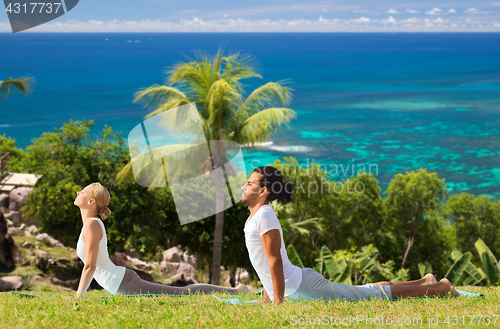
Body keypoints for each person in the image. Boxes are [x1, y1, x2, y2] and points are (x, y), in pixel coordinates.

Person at [240, 166, 459, 305]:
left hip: (303, 287)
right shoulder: (256, 217)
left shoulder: (265, 215)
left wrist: (277, 303)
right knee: (365, 291)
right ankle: (424, 281)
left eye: (249, 183)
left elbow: (274, 260)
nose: (243, 186)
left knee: (371, 296)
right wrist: (268, 299)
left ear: (263, 191)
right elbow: (265, 266)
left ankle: (441, 288)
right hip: (297, 287)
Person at [74, 182, 246, 297]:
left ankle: (236, 291)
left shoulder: (92, 225)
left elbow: (90, 266)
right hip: (120, 282)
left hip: (123, 283)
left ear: (91, 201)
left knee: (182, 293)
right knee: (179, 293)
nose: (77, 192)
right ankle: (234, 291)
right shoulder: (90, 225)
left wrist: (78, 297)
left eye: (82, 191)